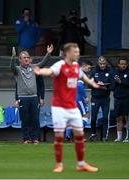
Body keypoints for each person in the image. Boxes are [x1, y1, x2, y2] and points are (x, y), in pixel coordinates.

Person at [33, 43, 99, 173]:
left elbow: (82, 76)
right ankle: (59, 165)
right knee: (59, 136)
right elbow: (50, 71)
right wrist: (40, 71)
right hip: (59, 108)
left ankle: (81, 164)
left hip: (72, 108)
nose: (78, 53)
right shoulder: (60, 65)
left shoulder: (75, 66)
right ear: (68, 53)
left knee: (80, 135)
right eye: (75, 51)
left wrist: (91, 82)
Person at [11, 45, 54, 144]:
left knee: (35, 119)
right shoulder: (17, 70)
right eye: (24, 57)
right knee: (25, 119)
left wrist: (48, 54)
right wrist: (13, 57)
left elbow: (43, 63)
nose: (26, 59)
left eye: (27, 57)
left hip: (34, 97)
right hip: (23, 98)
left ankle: (35, 138)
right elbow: (12, 67)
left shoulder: (34, 68)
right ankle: (26, 138)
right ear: (20, 60)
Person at [89, 56, 114, 142]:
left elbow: (113, 85)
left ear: (106, 63)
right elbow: (89, 84)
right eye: (101, 64)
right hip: (95, 98)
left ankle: (104, 137)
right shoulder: (94, 71)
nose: (102, 65)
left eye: (104, 63)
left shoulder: (110, 71)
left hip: (105, 98)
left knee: (105, 118)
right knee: (93, 118)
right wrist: (96, 84)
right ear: (98, 63)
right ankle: (93, 134)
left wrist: (105, 87)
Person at [114, 57, 129, 142]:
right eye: (121, 64)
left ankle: (128, 136)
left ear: (127, 64)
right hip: (117, 98)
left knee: (127, 118)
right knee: (118, 118)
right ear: (118, 64)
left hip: (126, 98)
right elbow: (112, 84)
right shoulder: (115, 72)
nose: (123, 65)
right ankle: (119, 137)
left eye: (124, 64)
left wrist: (121, 82)